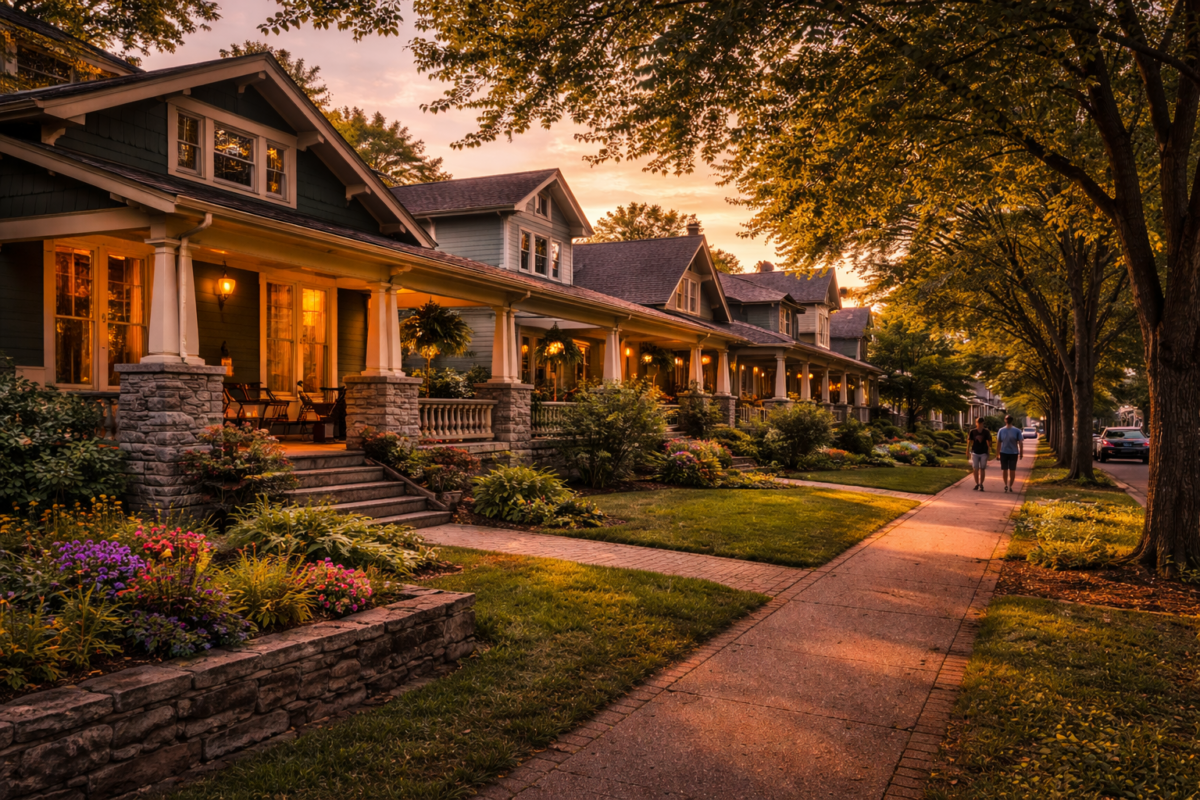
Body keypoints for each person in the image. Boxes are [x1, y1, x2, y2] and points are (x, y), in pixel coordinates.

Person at [996, 414, 1025, 493]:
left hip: (1013, 453)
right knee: (1004, 469)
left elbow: (1020, 442)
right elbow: (998, 442)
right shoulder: (1001, 430)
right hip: (1003, 452)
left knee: (1012, 470)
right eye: (1006, 419)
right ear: (1005, 420)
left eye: (1008, 419)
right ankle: (1006, 485)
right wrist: (997, 453)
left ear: (1010, 421)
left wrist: (1021, 452)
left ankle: (1010, 485)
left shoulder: (1017, 431)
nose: (1007, 420)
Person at [966, 418, 995, 491]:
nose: (979, 424)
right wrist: (967, 450)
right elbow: (969, 441)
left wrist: (989, 451)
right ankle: (977, 484)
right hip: (975, 452)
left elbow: (989, 442)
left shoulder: (986, 432)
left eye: (980, 423)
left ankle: (981, 484)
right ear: (976, 423)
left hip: (983, 452)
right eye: (978, 422)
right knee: (975, 468)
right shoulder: (973, 431)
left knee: (982, 468)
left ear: (983, 423)